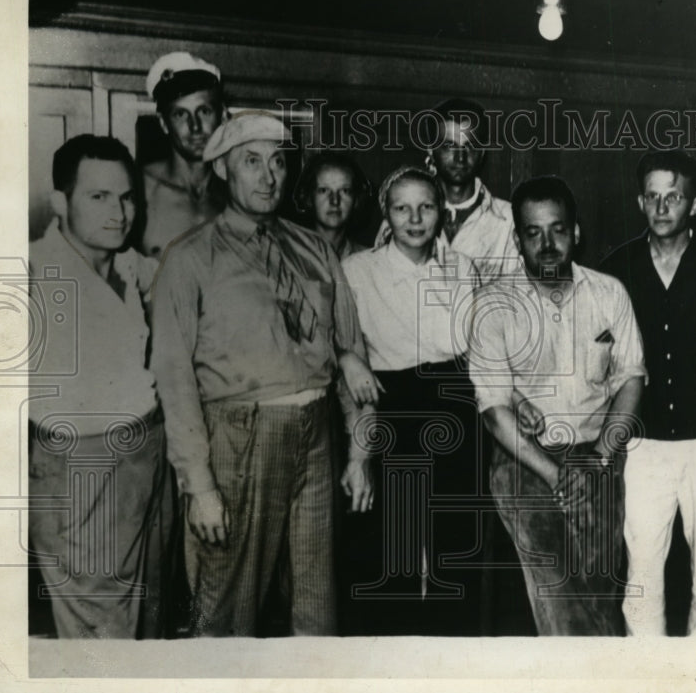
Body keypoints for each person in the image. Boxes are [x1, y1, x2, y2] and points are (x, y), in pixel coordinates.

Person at [150, 111, 378, 637]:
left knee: (316, 605)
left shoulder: (314, 249)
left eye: (277, 161)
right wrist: (199, 485)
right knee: (227, 608)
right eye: (251, 162)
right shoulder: (189, 259)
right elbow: (174, 379)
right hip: (238, 437)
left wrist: (361, 451)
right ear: (225, 171)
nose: (268, 175)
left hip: (317, 436)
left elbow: (351, 353)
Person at [469, 175, 646, 635]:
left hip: (598, 454)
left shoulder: (609, 293)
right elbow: (493, 411)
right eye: (533, 233)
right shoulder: (493, 305)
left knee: (600, 587)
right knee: (558, 584)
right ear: (517, 239)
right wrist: (557, 475)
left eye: (558, 230)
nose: (547, 244)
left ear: (576, 232)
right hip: (526, 461)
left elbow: (630, 378)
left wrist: (604, 458)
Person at [29, 135, 171, 638]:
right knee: (100, 636)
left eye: (127, 196)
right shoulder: (30, 274)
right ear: (60, 202)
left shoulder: (130, 266)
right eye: (99, 197)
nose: (119, 212)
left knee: (145, 618)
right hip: (81, 467)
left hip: (145, 454)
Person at [341, 166, 482, 635]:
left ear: (441, 212)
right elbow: (341, 341)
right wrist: (348, 359)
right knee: (396, 548)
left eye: (426, 206)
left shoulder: (462, 269)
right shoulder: (358, 271)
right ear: (386, 214)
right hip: (394, 404)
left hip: (455, 403)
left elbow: (472, 347)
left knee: (456, 546)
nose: (415, 218)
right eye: (402, 208)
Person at [599, 150, 696, 636]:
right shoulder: (616, 269)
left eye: (673, 196)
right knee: (643, 572)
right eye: (652, 196)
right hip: (644, 443)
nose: (662, 206)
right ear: (640, 201)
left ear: (694, 204)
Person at [376, 97, 517, 283]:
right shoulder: (402, 216)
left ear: (482, 152)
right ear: (431, 150)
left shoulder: (509, 220)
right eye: (449, 145)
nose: (460, 157)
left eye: (470, 146)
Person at [141, 51, 227, 258]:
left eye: (204, 111)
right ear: (163, 123)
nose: (195, 126)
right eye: (180, 114)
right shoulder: (140, 189)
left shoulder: (239, 192)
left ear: (222, 116)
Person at [295, 151, 371, 260]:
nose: (335, 201)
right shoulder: (291, 256)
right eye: (324, 190)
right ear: (308, 198)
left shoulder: (367, 260)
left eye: (345, 191)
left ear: (356, 200)